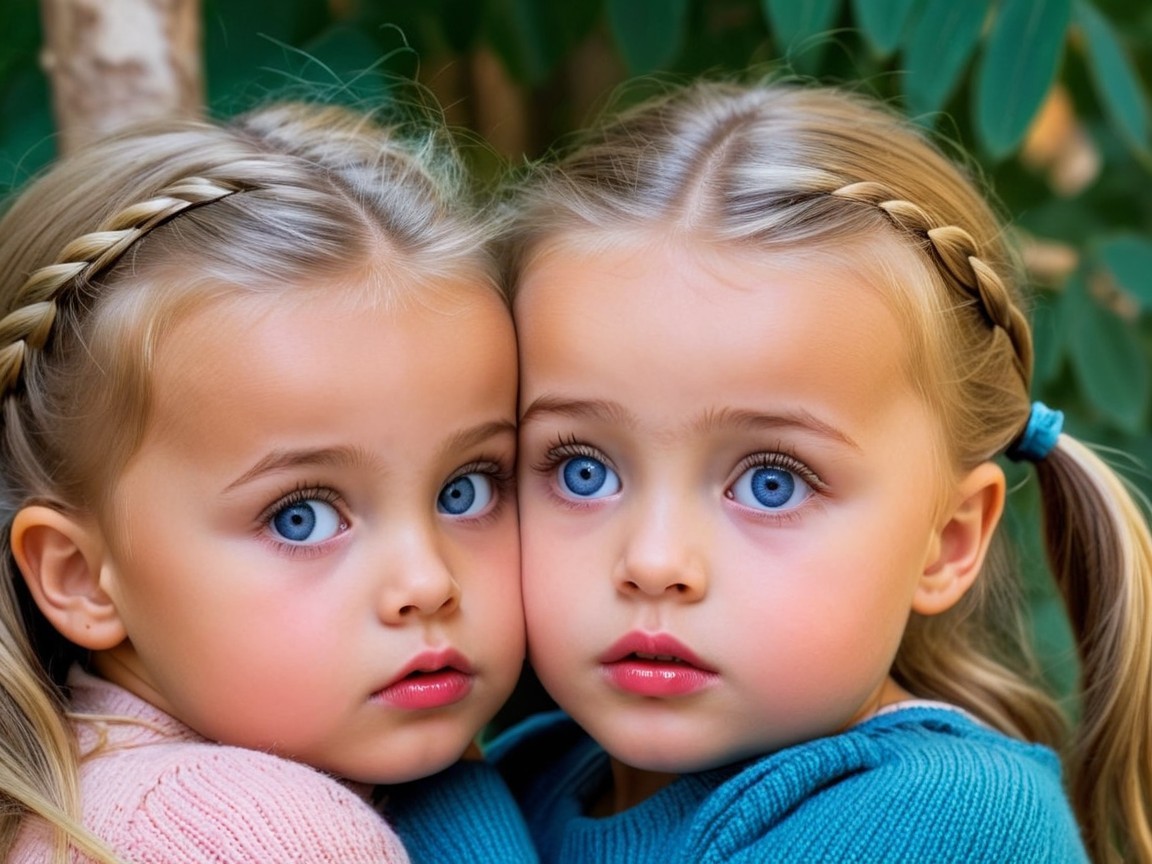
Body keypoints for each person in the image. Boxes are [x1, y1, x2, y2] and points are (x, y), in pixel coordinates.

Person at [492, 79, 1152, 863]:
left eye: (772, 482)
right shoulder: (530, 773)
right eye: (582, 470)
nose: (655, 562)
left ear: (946, 541)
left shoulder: (944, 816)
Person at [0, 99, 531, 863]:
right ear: (81, 576)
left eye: (467, 489)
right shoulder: (246, 833)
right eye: (302, 517)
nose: (427, 583)